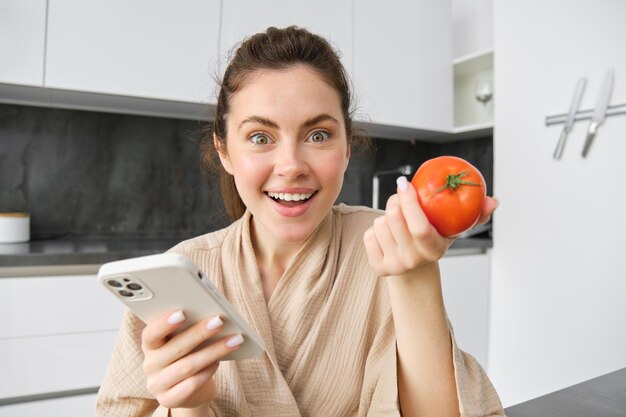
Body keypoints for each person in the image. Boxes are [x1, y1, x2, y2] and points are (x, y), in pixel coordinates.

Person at [96, 26, 505, 417]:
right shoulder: (180, 273)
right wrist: (188, 404)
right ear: (224, 151)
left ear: (347, 148)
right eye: (260, 137)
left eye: (318, 135)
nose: (291, 167)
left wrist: (417, 274)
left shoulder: (387, 246)